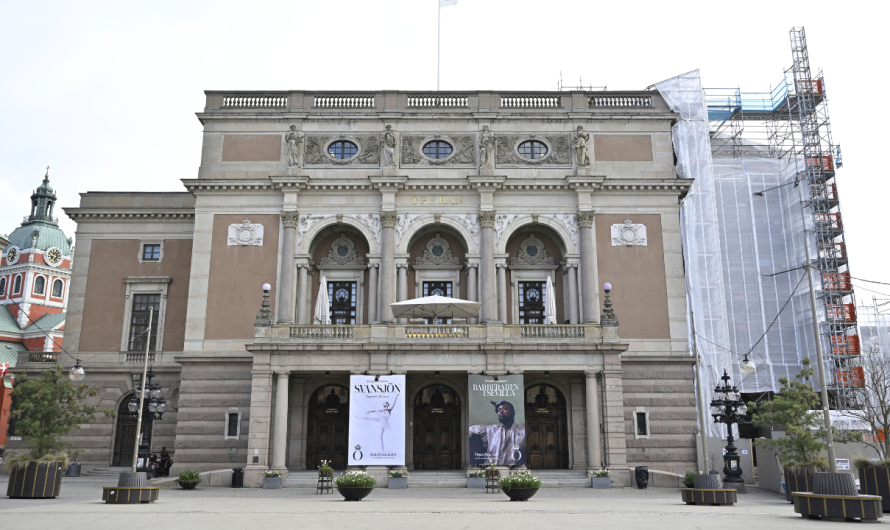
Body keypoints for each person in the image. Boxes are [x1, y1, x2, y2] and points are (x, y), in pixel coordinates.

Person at [469, 399, 526, 465]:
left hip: (513, 472)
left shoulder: (524, 432)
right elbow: (469, 429)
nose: (501, 411)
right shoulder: (491, 430)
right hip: (490, 470)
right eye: (499, 410)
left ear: (513, 413)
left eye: (504, 408)